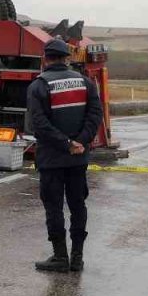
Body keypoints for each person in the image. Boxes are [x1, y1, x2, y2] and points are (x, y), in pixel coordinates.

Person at [26, 39, 105, 273]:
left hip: (51, 159)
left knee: (54, 207)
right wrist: (80, 141)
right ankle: (77, 258)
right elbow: (95, 115)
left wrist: (65, 143)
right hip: (78, 158)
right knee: (78, 205)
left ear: (45, 58)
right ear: (66, 58)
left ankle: (60, 257)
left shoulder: (39, 86)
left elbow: (38, 124)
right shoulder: (85, 83)